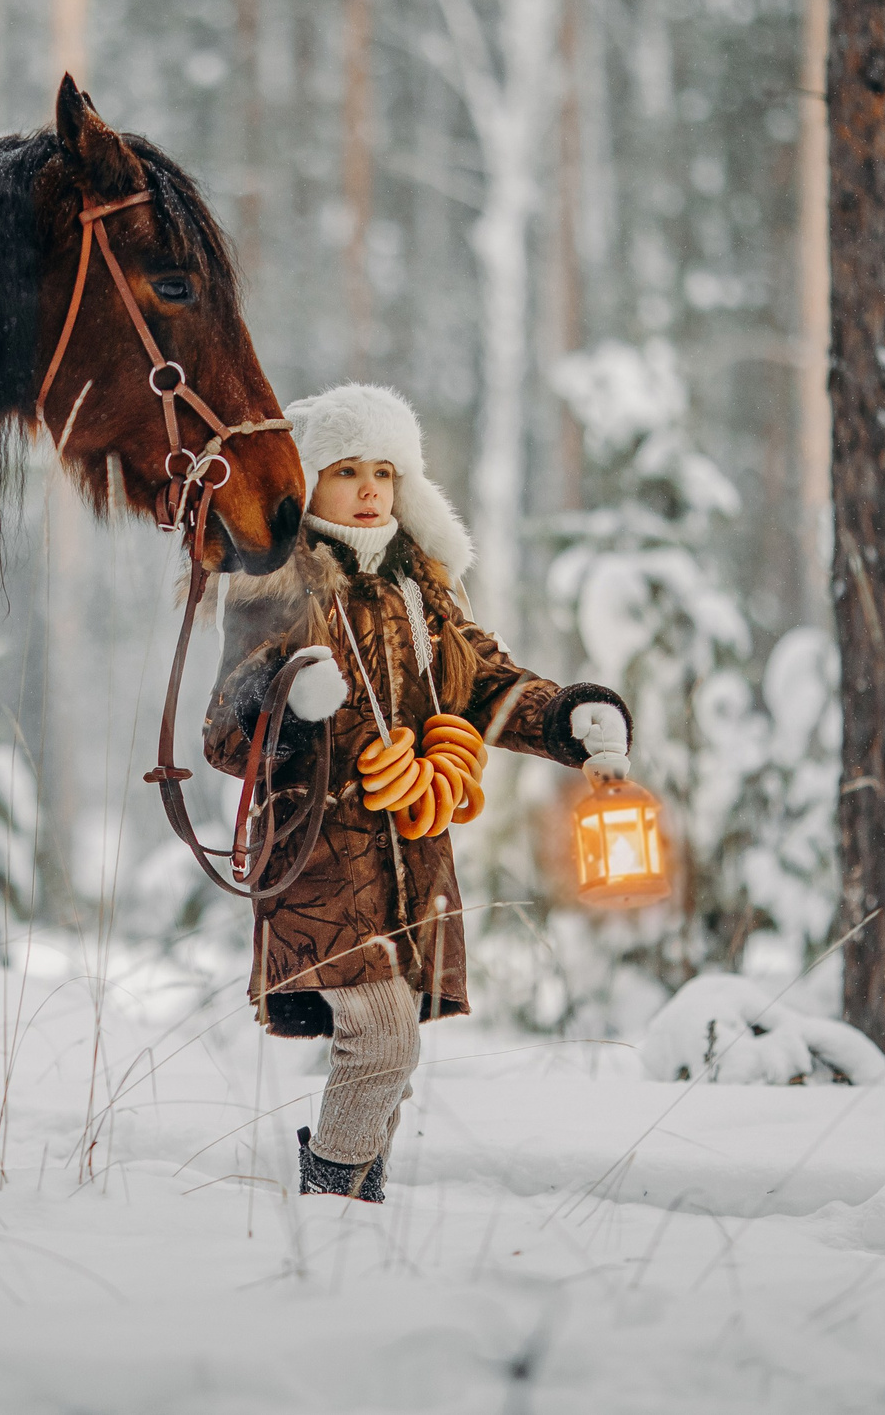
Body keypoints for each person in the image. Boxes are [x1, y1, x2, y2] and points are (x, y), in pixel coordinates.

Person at [203, 383, 633, 1202]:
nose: (370, 490)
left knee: (392, 1056)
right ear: (307, 480)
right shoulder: (277, 586)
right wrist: (283, 700)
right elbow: (225, 732)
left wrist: (573, 719)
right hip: (316, 862)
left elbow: (492, 686)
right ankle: (329, 1197)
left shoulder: (423, 591)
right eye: (346, 470)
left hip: (412, 859)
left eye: (386, 472)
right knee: (384, 1037)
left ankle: (355, 1202)